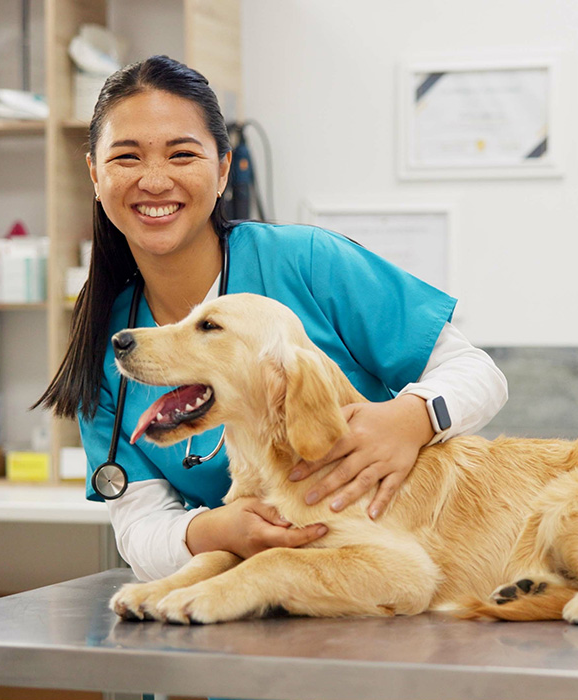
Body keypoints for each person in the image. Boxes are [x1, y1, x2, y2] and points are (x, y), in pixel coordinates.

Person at [36, 55, 508, 582]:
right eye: (126, 157)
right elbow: (139, 529)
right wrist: (215, 530)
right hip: (256, 601)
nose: (154, 179)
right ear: (95, 175)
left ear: (221, 171)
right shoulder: (110, 340)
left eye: (181, 154)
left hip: (387, 577)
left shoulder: (306, 262)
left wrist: (411, 419)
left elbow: (479, 374)